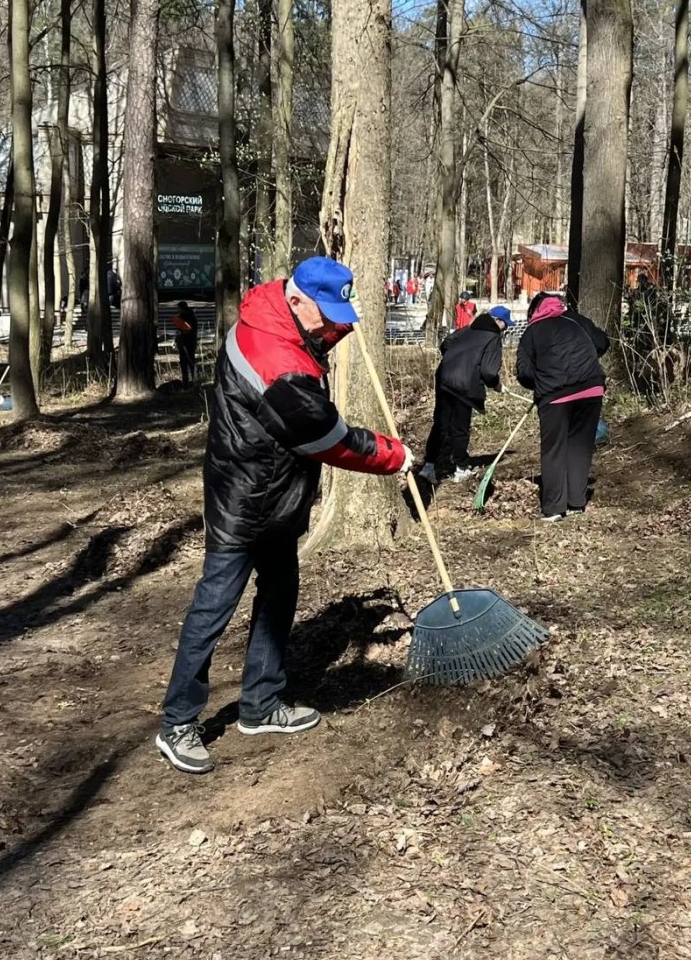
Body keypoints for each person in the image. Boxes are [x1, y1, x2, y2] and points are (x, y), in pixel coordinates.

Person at [155, 257, 413, 774]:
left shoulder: (271, 311)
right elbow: (330, 439)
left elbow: (314, 336)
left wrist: (342, 320)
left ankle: (261, 703)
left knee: (279, 595)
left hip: (274, 495)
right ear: (296, 300)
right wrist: (394, 455)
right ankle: (178, 721)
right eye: (327, 312)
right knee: (215, 606)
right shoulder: (279, 363)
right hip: (245, 500)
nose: (331, 323)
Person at [515, 291, 609, 522]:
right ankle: (576, 502)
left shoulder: (532, 331)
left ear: (534, 311)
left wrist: (539, 383)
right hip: (591, 388)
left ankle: (555, 507)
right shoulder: (576, 320)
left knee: (554, 449)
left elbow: (524, 371)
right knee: (580, 446)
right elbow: (602, 342)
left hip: (555, 394)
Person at [419, 305, 512, 485]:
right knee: (460, 427)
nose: (505, 329)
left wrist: (454, 361)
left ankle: (428, 467)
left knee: (441, 424)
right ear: (498, 322)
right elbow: (489, 371)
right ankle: (460, 468)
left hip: (444, 378)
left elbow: (445, 344)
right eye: (505, 325)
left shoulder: (467, 329)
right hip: (464, 385)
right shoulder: (492, 337)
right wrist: (496, 385)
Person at [172, 301, 199, 388]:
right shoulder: (192, 316)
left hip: (185, 342)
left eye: (178, 308)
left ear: (181, 308)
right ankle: (193, 380)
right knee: (191, 361)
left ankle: (186, 382)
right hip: (191, 341)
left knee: (184, 362)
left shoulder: (183, 317)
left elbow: (184, 331)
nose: (177, 310)